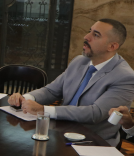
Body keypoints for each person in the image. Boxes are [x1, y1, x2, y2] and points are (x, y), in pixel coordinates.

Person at [8, 19, 134, 147]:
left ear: (112, 46)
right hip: (62, 134)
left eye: (96, 35)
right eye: (89, 31)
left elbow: (95, 113)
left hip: (93, 143)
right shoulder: (79, 61)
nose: (86, 37)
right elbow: (52, 90)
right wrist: (25, 99)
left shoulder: (125, 76)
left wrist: (43, 110)